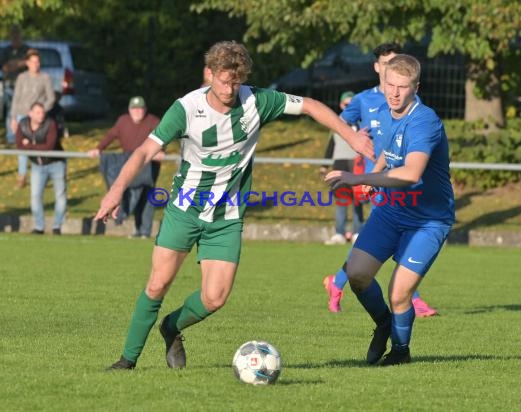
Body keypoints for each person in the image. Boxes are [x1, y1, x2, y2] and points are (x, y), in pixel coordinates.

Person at [96, 41, 373, 371]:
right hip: (184, 209)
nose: (230, 89)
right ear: (209, 74)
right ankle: (128, 360)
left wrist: (352, 137)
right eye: (225, 81)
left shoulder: (256, 101)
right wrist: (115, 191)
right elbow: (143, 151)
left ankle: (171, 327)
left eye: (236, 82)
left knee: (215, 297)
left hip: (226, 217)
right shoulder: (186, 108)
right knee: (157, 284)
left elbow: (311, 105)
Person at [324, 54, 455, 366]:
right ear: (382, 83)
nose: (395, 92)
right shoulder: (386, 111)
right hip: (391, 211)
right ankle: (383, 323)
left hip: (428, 221)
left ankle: (400, 352)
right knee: (356, 274)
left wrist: (359, 178)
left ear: (416, 88)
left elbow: (411, 173)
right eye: (389, 85)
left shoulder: (424, 121)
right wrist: (378, 174)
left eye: (403, 87)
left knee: (399, 293)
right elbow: (388, 147)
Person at [88, 96, 161, 238]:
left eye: (140, 108)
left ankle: (145, 230)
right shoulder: (123, 121)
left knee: (146, 197)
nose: (138, 112)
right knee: (130, 194)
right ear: (129, 110)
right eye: (134, 109)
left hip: (149, 165)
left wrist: (161, 151)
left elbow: (162, 137)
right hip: (130, 163)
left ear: (145, 109)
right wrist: (99, 148)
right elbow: (111, 135)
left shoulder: (153, 121)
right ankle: (135, 226)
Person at [15, 102, 66, 234]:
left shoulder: (50, 123)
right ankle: (39, 226)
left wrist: (29, 145)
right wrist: (32, 146)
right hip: (37, 165)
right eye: (38, 112)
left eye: (42, 112)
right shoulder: (23, 125)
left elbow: (48, 147)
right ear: (30, 113)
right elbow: (19, 145)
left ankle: (57, 226)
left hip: (56, 164)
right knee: (35, 196)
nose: (41, 115)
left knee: (60, 195)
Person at [321, 91, 364, 245]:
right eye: (346, 104)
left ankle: (357, 232)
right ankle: (339, 232)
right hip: (339, 163)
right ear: (341, 105)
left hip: (357, 163)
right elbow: (330, 146)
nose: (349, 107)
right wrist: (324, 166)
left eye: (352, 104)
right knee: (342, 199)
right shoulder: (335, 123)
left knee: (358, 199)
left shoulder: (362, 123)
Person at [10, 48, 55, 189]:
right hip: (22, 115)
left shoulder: (45, 78)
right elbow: (16, 98)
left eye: (38, 62)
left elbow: (51, 98)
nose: (36, 64)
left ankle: (43, 171)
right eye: (33, 62)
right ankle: (22, 175)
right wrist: (13, 118)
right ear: (27, 63)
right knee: (22, 145)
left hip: (39, 118)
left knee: (40, 145)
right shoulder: (22, 78)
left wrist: (41, 112)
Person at [1, 25, 29, 146]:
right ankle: (11, 137)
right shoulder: (5, 51)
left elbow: (28, 63)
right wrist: (19, 63)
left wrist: (15, 64)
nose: (15, 38)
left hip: (24, 86)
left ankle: (24, 135)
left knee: (24, 111)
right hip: (9, 85)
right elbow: (5, 67)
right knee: (10, 111)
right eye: (13, 36)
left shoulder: (26, 49)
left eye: (17, 35)